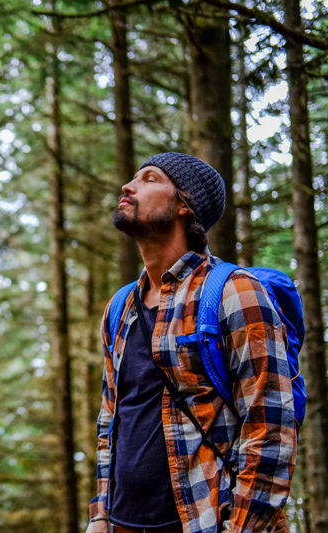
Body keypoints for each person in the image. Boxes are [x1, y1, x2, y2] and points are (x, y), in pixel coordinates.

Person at [86, 153, 297, 533]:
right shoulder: (120, 308)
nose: (128, 186)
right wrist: (100, 516)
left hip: (204, 521)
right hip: (122, 523)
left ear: (185, 204)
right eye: (133, 178)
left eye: (150, 179)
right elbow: (110, 420)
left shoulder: (235, 292)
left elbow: (270, 431)